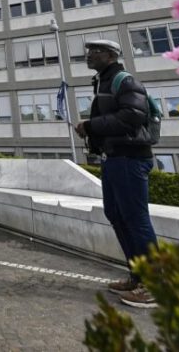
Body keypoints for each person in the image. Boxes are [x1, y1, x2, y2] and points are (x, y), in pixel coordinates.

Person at [74, 39, 158, 309]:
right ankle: (137, 275)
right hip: (114, 158)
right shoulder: (102, 82)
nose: (89, 56)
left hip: (130, 159)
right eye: (88, 52)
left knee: (136, 218)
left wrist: (91, 125)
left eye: (95, 52)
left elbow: (132, 116)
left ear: (111, 55)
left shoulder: (125, 80)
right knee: (117, 215)